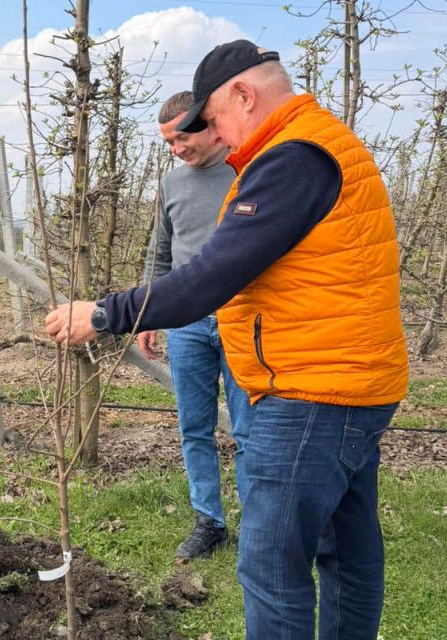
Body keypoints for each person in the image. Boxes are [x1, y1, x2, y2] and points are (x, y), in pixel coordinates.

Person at [45, 40, 408, 639]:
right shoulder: (323, 144)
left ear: (245, 95)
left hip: (311, 394)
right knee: (346, 550)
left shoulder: (293, 158)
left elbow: (213, 274)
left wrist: (108, 313)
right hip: (351, 383)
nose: (218, 137)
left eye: (214, 120)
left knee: (271, 564)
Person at [140, 90, 253, 562]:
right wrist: (149, 311)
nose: (175, 150)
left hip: (244, 320)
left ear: (208, 125)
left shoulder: (248, 172)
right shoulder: (170, 184)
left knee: (251, 430)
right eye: (167, 143)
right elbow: (159, 252)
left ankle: (260, 523)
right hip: (186, 324)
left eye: (180, 138)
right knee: (194, 427)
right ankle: (209, 522)